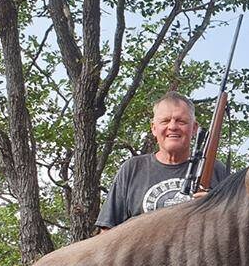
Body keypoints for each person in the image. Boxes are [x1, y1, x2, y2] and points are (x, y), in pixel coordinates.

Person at [95, 91, 228, 232]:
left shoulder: (216, 169)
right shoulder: (132, 168)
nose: (172, 126)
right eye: (165, 121)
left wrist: (216, 210)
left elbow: (236, 229)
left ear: (194, 128)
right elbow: (106, 231)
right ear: (153, 128)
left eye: (181, 121)